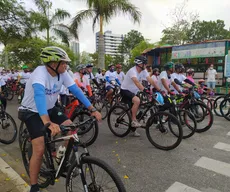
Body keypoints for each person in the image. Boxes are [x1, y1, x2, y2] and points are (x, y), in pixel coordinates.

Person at [18, 46, 101, 192]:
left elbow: (76, 90)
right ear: (53, 63)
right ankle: (34, 186)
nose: (66, 65)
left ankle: (60, 156)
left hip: (49, 108)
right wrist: (47, 122)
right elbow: (39, 96)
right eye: (63, 63)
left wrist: (92, 109)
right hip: (31, 111)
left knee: (71, 128)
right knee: (39, 148)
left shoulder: (62, 73)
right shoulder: (40, 74)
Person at [120, 55, 161, 137]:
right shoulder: (132, 71)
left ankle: (133, 127)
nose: (146, 65)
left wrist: (159, 89)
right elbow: (137, 82)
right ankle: (134, 121)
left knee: (141, 104)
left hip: (134, 91)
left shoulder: (143, 71)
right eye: (144, 64)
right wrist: (144, 89)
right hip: (125, 90)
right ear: (139, 64)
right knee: (137, 101)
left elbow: (150, 80)